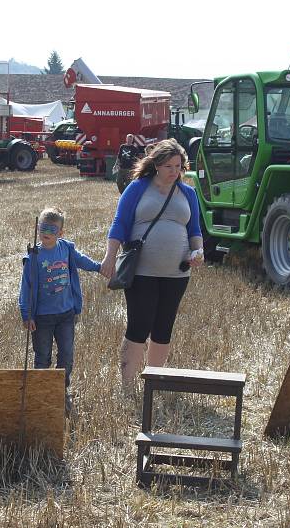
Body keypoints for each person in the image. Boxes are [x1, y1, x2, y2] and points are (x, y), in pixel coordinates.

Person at [101, 139, 204, 390]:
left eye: (178, 166)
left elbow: (194, 230)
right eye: (169, 166)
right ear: (156, 165)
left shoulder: (188, 194)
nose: (174, 172)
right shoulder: (137, 188)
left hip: (177, 273)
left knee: (163, 327)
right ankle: (126, 386)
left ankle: (154, 382)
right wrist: (110, 256)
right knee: (139, 325)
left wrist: (198, 252)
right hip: (142, 272)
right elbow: (120, 224)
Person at [19, 207, 102, 413]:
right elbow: (26, 287)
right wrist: (26, 314)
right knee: (42, 356)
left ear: (61, 233)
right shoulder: (33, 256)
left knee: (66, 355)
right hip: (43, 318)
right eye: (43, 228)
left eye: (52, 229)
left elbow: (83, 261)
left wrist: (100, 267)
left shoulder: (66, 249)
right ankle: (40, 393)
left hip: (66, 315)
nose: (46, 232)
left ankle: (60, 391)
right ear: (38, 228)